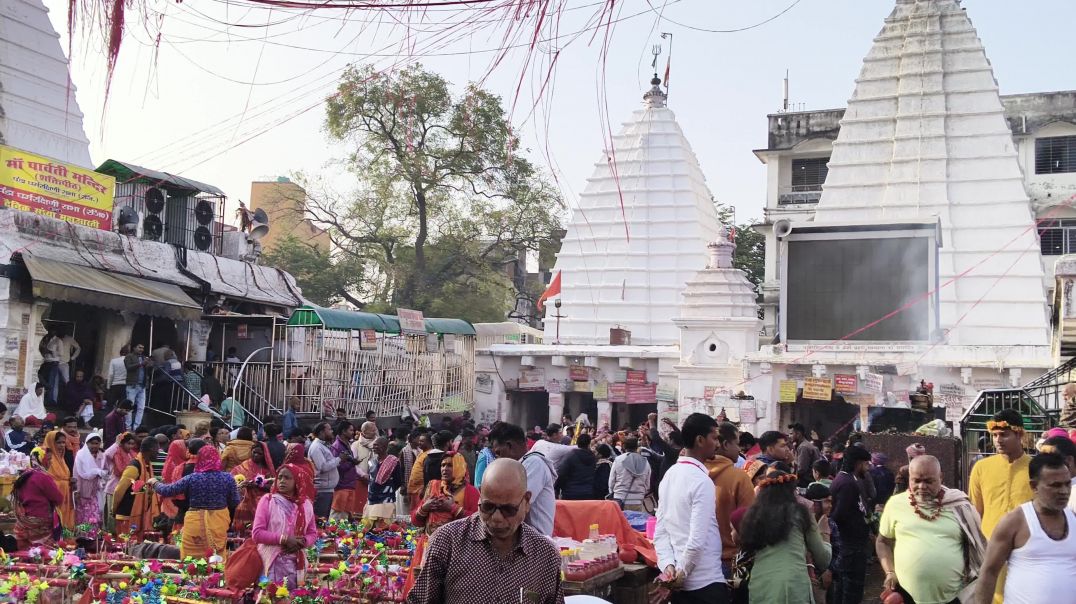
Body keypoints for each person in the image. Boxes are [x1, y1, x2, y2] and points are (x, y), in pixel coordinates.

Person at [406, 458, 564, 604]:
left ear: (527, 501)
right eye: (488, 507)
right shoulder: (447, 542)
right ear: (480, 496)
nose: (497, 518)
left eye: (508, 509)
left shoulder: (545, 556)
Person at [875, 455, 986, 604]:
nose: (922, 486)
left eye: (928, 481)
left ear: (941, 478)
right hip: (906, 596)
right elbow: (882, 542)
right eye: (916, 481)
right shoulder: (896, 504)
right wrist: (890, 572)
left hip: (953, 597)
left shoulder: (959, 506)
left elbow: (978, 547)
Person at [976, 453, 1076, 604]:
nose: (1064, 491)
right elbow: (989, 572)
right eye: (1055, 485)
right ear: (1034, 486)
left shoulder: (1073, 519)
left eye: (1067, 484)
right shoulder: (1014, 522)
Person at [651, 413, 727, 604]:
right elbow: (696, 540)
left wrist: (669, 567)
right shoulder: (701, 481)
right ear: (700, 440)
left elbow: (661, 532)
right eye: (714, 438)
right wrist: (679, 573)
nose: (717, 444)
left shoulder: (670, 474)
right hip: (705, 585)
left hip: (682, 582)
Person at [739, 470, 831, 604]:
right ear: (791, 491)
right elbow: (823, 559)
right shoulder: (800, 513)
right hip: (792, 586)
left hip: (760, 585)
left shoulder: (753, 516)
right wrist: (825, 533)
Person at [149, 446, 241, 560]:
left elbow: (167, 490)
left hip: (195, 522)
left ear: (200, 459)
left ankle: (192, 571)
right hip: (218, 523)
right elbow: (234, 501)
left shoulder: (192, 478)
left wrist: (154, 482)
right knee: (216, 556)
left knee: (191, 557)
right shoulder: (228, 478)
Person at [969, 409, 1034, 538]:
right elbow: (975, 512)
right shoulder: (981, 468)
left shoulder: (1037, 467)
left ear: (1019, 434)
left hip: (1027, 543)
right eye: (995, 435)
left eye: (1004, 435)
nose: (998, 440)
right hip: (989, 542)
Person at [251, 463, 318, 588]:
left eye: (287, 478)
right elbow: (257, 534)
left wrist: (302, 542)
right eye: (280, 477)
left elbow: (312, 533)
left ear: (297, 481)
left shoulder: (306, 504)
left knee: (295, 595)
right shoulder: (268, 500)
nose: (282, 481)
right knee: (270, 595)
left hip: (296, 562)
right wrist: (285, 539)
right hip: (270, 561)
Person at [705, 422, 756, 578]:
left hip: (698, 560)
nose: (739, 449)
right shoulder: (739, 477)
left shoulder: (695, 473)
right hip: (730, 560)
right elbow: (749, 526)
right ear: (726, 444)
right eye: (737, 444)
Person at [490, 422, 557, 536]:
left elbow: (513, 503)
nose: (497, 458)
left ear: (509, 446)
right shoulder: (520, 466)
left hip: (536, 541)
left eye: (498, 453)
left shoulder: (534, 463)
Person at [830, 443, 872, 604]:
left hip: (851, 547)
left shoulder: (848, 480)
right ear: (858, 463)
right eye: (866, 464)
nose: (867, 468)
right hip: (850, 549)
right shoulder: (847, 483)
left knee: (844, 591)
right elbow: (839, 515)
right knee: (850, 594)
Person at [414, 452, 479, 535]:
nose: (444, 469)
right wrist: (424, 507)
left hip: (457, 541)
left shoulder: (471, 491)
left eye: (450, 465)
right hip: (429, 540)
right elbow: (415, 521)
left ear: (459, 467)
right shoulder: (433, 486)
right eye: (443, 465)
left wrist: (453, 508)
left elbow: (478, 522)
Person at [12, 447, 63, 549]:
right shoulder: (43, 477)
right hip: (41, 519)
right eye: (48, 459)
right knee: (45, 550)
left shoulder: (23, 476)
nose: (50, 462)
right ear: (40, 459)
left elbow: (18, 496)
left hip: (24, 519)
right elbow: (58, 498)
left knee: (27, 550)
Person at [113, 436, 159, 540]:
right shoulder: (134, 467)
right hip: (126, 514)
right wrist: (114, 510)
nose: (158, 452)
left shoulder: (147, 466)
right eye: (157, 449)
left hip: (140, 515)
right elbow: (119, 490)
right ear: (151, 449)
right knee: (125, 546)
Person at [232, 441, 276, 532]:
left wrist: (256, 485)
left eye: (259, 453)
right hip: (245, 502)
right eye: (254, 452)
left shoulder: (268, 469)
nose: (256, 455)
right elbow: (233, 480)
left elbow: (272, 487)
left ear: (264, 455)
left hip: (262, 502)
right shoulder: (244, 466)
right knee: (244, 527)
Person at [73, 432, 109, 530]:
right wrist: (77, 491)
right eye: (92, 443)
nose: (94, 446)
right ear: (86, 443)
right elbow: (77, 474)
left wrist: (101, 473)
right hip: (83, 490)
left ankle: (94, 536)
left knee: (96, 514)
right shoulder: (80, 455)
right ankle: (84, 536)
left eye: (97, 443)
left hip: (96, 490)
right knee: (84, 515)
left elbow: (107, 470)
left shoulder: (102, 456)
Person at [41, 430, 74, 531]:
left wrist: (70, 480)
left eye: (63, 442)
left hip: (65, 496)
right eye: (58, 442)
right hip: (54, 496)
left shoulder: (61, 458)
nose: (62, 445)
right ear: (51, 442)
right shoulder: (45, 459)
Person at [365, 437, 403, 523]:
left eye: (377, 445)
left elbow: (398, 481)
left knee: (385, 526)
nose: (374, 447)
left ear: (384, 447)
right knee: (370, 525)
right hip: (372, 498)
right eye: (374, 445)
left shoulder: (393, 461)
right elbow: (370, 478)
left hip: (386, 500)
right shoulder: (371, 461)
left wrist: (388, 489)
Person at [308, 421, 341, 519]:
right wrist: (339, 459)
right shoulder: (316, 447)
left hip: (327, 489)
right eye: (329, 429)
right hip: (322, 490)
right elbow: (322, 467)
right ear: (322, 432)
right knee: (320, 520)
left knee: (324, 519)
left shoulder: (323, 445)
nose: (332, 431)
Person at [608, 436, 651, 511]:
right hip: (638, 499)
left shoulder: (618, 460)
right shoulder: (645, 461)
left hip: (620, 498)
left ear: (624, 446)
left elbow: (612, 480)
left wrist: (612, 492)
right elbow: (647, 483)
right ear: (637, 447)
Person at [330, 421, 359, 519]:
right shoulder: (337, 446)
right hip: (341, 485)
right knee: (337, 515)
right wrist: (352, 464)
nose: (353, 432)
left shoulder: (347, 444)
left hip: (349, 484)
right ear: (343, 431)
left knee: (345, 515)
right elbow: (337, 466)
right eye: (351, 430)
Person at [556, 433, 597, 500]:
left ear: (577, 443)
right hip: (588, 492)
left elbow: (561, 473)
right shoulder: (593, 457)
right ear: (589, 444)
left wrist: (557, 489)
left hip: (570, 492)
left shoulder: (570, 456)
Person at [351, 421, 379, 516]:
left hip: (375, 481)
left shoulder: (378, 444)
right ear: (364, 432)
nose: (375, 432)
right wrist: (363, 475)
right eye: (372, 430)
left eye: (375, 430)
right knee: (359, 511)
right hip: (360, 481)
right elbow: (353, 463)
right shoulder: (355, 445)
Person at [123, 343, 151, 430]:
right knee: (129, 407)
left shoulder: (143, 357)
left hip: (142, 386)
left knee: (141, 408)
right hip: (132, 385)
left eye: (142, 348)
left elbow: (148, 370)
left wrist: (149, 364)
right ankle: (128, 427)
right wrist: (141, 364)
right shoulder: (129, 356)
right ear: (134, 348)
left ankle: (136, 427)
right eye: (139, 347)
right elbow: (128, 367)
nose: (141, 349)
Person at [407, 431, 434, 513]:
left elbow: (429, 474)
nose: (419, 443)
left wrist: (424, 489)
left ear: (429, 442)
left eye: (422, 441)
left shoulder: (430, 454)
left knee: (420, 513)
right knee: (413, 513)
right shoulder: (422, 453)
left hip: (421, 490)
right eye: (419, 441)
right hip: (414, 490)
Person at [789, 423, 821, 488]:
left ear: (798, 434)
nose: (789, 436)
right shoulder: (805, 445)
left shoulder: (803, 447)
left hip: (805, 483)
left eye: (791, 433)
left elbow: (801, 469)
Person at [107, 345, 129, 410]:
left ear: (120, 353)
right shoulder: (129, 362)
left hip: (114, 385)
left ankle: (108, 416)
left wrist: (108, 386)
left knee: (110, 405)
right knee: (122, 406)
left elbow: (111, 374)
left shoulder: (113, 361)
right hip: (125, 385)